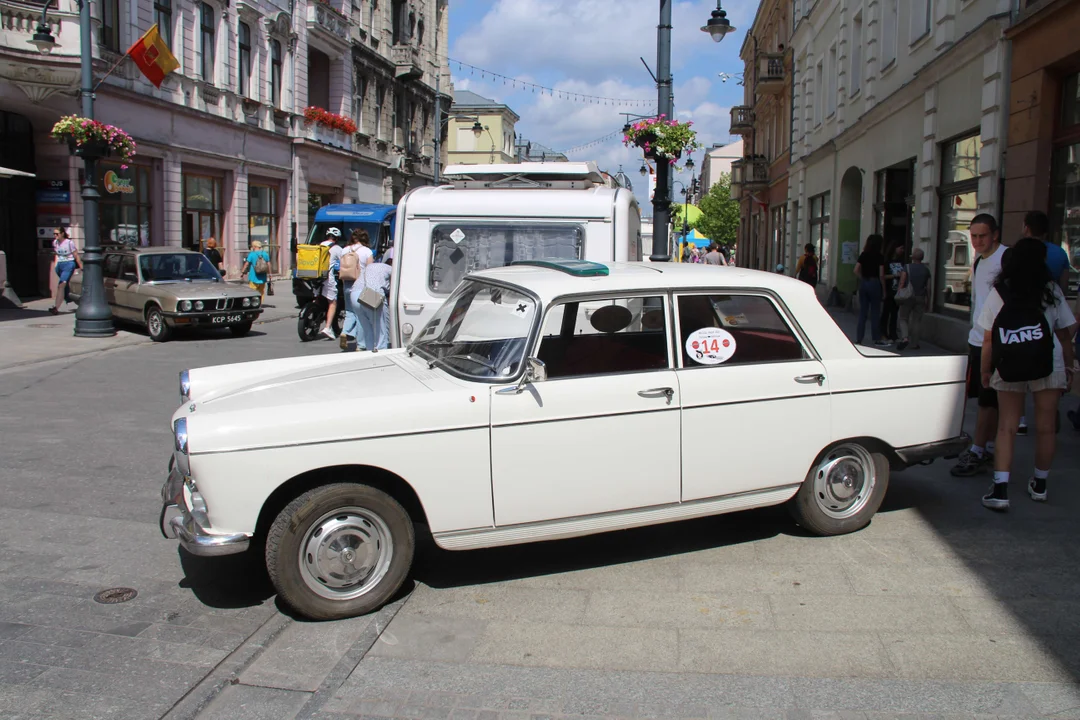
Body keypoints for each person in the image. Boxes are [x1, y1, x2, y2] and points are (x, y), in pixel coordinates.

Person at [975, 237, 1076, 510]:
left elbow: (987, 338)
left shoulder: (1000, 291)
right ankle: (1040, 484)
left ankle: (1000, 489)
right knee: (1046, 427)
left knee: (1007, 425)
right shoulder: (1051, 289)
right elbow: (1065, 334)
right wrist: (1069, 366)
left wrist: (986, 370)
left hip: (1009, 360)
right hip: (1048, 360)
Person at [950, 213, 1007, 477]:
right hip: (978, 339)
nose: (977, 240)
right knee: (984, 399)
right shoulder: (979, 260)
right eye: (973, 236)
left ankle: (978, 450)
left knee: (988, 400)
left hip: (997, 342)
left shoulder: (1006, 258)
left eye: (982, 235)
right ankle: (987, 447)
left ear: (995, 234)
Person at [1015, 210, 1068, 435]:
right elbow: (1063, 285)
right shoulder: (1059, 253)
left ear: (1026, 227)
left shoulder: (1018, 251)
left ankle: (1021, 420)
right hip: (1049, 317)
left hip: (1019, 325)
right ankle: (1049, 414)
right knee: (1045, 373)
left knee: (1018, 377)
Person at [339, 228, 374, 351]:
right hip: (360, 284)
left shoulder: (344, 250)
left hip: (346, 283)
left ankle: (345, 331)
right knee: (361, 315)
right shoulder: (367, 251)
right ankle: (361, 345)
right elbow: (370, 270)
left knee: (349, 310)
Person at [853, 234, 887, 346]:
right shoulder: (879, 256)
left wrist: (862, 278)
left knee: (863, 311)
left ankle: (859, 338)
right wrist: (884, 290)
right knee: (875, 312)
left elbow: (856, 270)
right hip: (875, 283)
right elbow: (881, 275)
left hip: (864, 283)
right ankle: (876, 338)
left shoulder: (863, 254)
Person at [896, 247, 931, 351]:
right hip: (920, 297)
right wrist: (928, 300)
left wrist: (899, 294)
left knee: (903, 318)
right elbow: (928, 288)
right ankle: (915, 344)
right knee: (916, 321)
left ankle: (905, 337)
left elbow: (902, 282)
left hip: (907, 297)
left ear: (913, 257)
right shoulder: (926, 270)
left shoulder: (907, 267)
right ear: (922, 258)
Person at [357, 255, 393, 351]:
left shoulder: (371, 266)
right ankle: (382, 348)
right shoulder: (391, 268)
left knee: (368, 326)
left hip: (365, 293)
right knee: (382, 326)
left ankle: (369, 348)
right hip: (377, 294)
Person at [49, 227, 81, 315]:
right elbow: (57, 254)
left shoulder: (69, 243)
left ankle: (56, 308)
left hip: (69, 264)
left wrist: (81, 267)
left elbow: (76, 255)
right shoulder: (55, 242)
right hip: (60, 265)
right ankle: (68, 296)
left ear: (62, 234)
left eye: (57, 234)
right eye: (54, 234)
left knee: (61, 285)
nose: (55, 236)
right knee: (65, 285)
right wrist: (56, 265)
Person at [319, 228, 343, 340]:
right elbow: (344, 263)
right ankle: (328, 327)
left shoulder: (319, 245)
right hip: (328, 277)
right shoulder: (337, 248)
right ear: (337, 238)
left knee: (318, 297)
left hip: (316, 277)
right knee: (332, 302)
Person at [881, 242, 905, 342]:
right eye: (901, 248)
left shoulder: (902, 261)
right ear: (894, 249)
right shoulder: (886, 262)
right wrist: (895, 276)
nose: (902, 250)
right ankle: (883, 333)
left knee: (895, 313)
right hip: (889, 289)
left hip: (898, 291)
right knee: (886, 313)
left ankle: (893, 334)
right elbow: (882, 276)